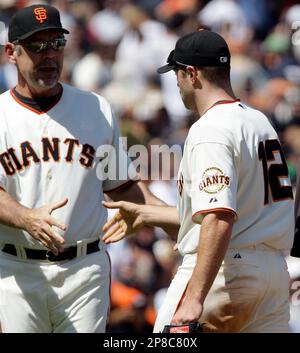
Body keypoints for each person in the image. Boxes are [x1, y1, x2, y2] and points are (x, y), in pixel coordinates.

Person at [102, 30, 295, 333]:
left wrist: (194, 297)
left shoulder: (211, 129)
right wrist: (149, 214)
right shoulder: (259, 122)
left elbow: (218, 217)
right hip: (271, 275)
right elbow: (233, 212)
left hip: (224, 272)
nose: (176, 84)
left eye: (177, 74)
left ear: (191, 74)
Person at [0, 4, 164, 333]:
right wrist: (26, 218)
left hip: (83, 270)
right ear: (11, 53)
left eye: (56, 44)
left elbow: (122, 186)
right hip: (16, 270)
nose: (49, 55)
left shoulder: (96, 107)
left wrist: (176, 222)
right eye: (36, 46)